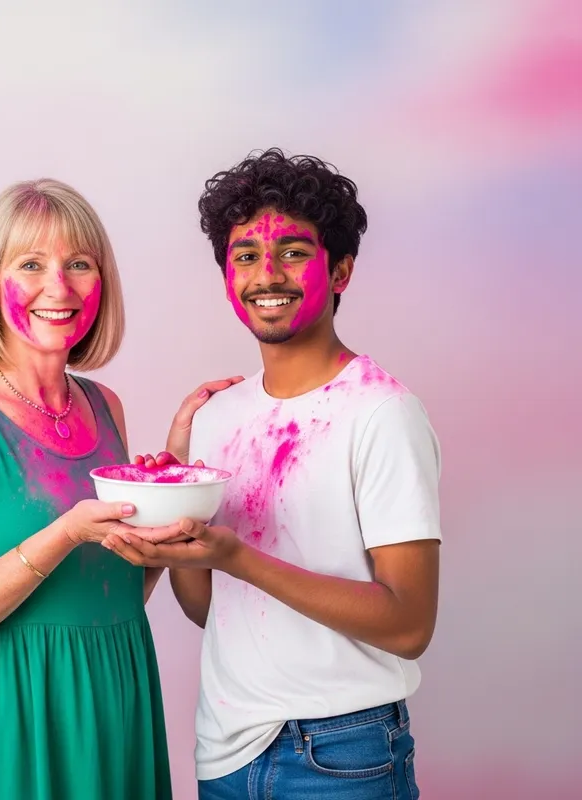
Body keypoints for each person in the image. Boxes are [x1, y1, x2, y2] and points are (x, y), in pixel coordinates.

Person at [103, 148, 442, 799]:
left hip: (344, 755)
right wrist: (172, 520)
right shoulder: (217, 417)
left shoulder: (381, 413)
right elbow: (207, 608)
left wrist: (237, 557)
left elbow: (409, 625)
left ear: (340, 270)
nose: (267, 274)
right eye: (246, 257)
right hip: (226, 751)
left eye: (292, 251)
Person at [0, 179, 202, 799]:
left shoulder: (104, 406)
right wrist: (63, 534)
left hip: (111, 697)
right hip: (6, 716)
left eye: (79, 265)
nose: (58, 287)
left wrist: (174, 484)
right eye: (31, 264)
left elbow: (112, 592)